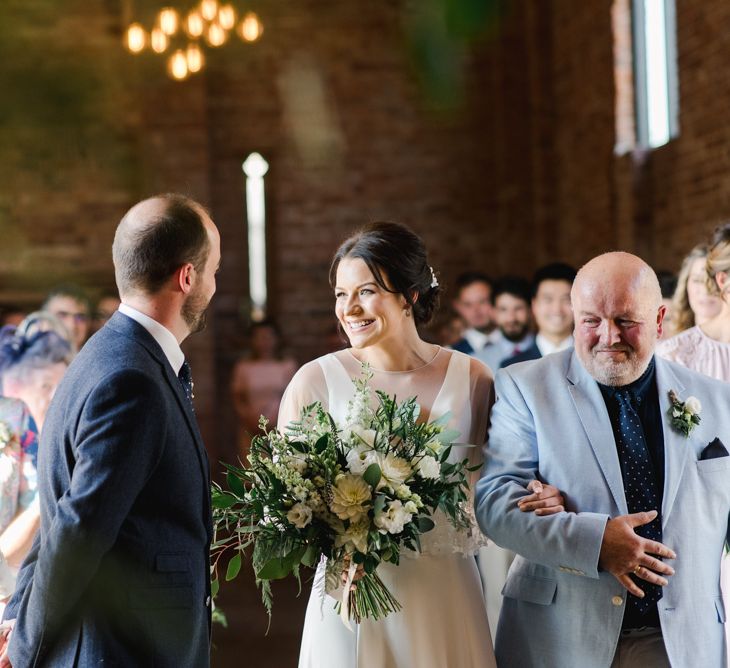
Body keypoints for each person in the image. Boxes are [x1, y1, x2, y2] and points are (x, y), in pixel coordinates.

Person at [280, 222, 563, 668]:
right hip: (349, 598)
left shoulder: (473, 379)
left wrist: (542, 493)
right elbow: (287, 505)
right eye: (340, 294)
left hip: (444, 592)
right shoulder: (314, 383)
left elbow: (509, 481)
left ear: (410, 294)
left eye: (367, 291)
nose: (349, 308)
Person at [476, 251, 730, 667]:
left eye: (626, 321)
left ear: (660, 321)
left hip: (679, 642)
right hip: (561, 638)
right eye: (591, 320)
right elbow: (494, 506)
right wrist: (596, 544)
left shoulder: (719, 400)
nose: (608, 336)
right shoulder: (524, 387)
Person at [0, 194, 220, 667]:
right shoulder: (132, 379)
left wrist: (18, 613)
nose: (215, 284)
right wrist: (23, 652)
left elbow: (60, 515)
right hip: (126, 649)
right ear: (187, 277)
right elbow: (77, 531)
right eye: (214, 271)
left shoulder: (107, 353)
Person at [230, 319, 297, 457]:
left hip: (280, 428)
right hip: (250, 428)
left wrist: (276, 419)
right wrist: (248, 418)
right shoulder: (244, 366)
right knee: (253, 471)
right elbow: (237, 397)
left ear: (277, 339)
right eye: (259, 337)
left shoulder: (287, 365)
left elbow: (293, 397)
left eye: (268, 336)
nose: (264, 341)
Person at [501, 262, 576, 367]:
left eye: (566, 299)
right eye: (548, 299)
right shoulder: (512, 367)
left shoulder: (595, 361)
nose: (557, 309)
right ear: (534, 305)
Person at [477, 276, 534, 372]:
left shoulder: (547, 351)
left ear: (531, 310)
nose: (511, 318)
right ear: (493, 312)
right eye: (503, 309)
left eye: (518, 308)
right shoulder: (479, 362)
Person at [667, 244, 722, 337]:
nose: (705, 289)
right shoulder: (671, 344)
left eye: (713, 280)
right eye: (697, 280)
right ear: (685, 285)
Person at [451, 271, 497, 355]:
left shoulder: (520, 343)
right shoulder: (452, 355)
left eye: (482, 301)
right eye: (468, 305)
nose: (476, 310)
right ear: (457, 307)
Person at [42, 285, 92, 351]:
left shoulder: (98, 359)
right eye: (62, 315)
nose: (72, 325)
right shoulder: (29, 359)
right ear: (44, 322)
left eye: (80, 318)